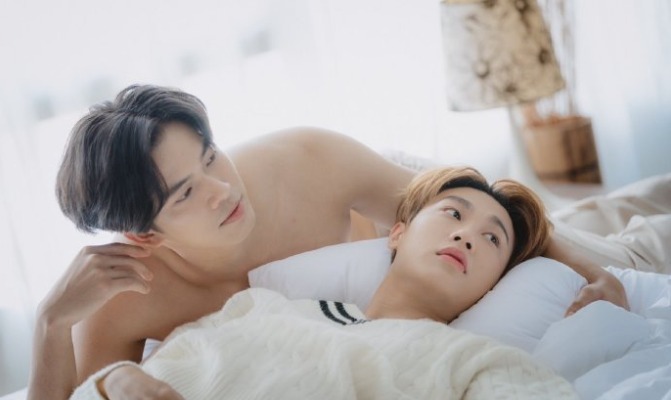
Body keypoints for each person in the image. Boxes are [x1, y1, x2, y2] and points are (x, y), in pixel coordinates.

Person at [27, 84, 624, 400]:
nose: (222, 190)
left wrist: (596, 272)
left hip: (409, 208)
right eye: (186, 193)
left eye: (211, 157)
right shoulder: (122, 295)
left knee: (604, 232)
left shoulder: (307, 160)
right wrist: (51, 324)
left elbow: (477, 213)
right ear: (143, 234)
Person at [69, 166, 577, 399]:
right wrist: (114, 381)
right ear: (397, 233)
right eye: (453, 214)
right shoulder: (260, 308)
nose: (466, 236)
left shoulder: (472, 360)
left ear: (492, 288)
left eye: (492, 239)